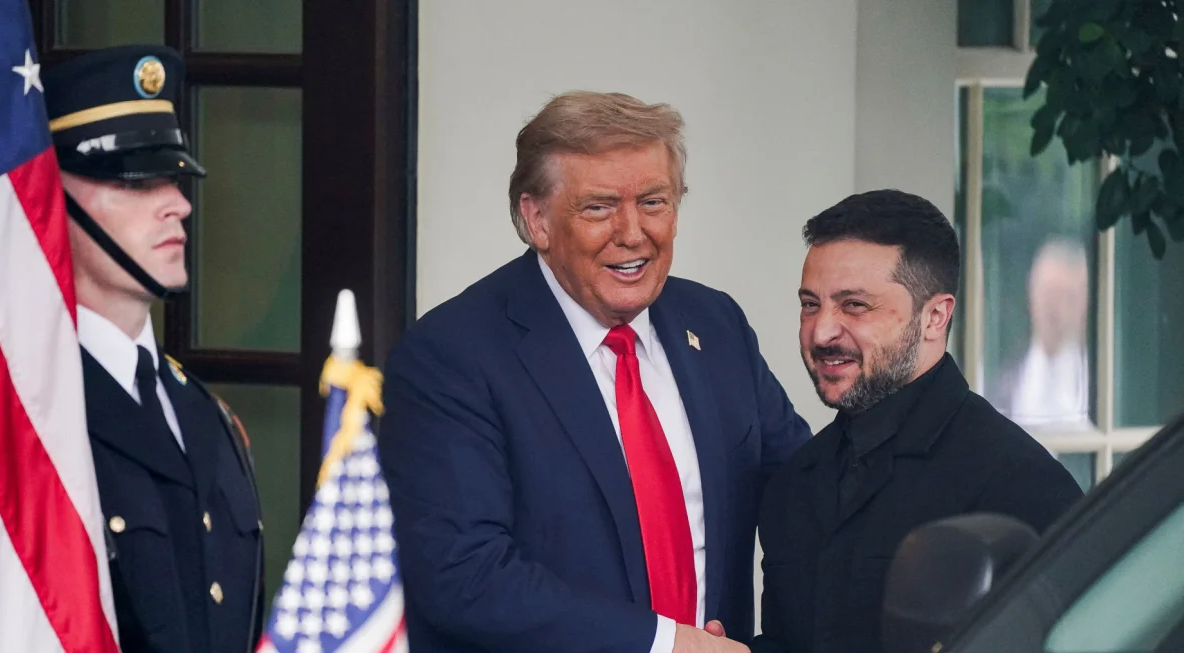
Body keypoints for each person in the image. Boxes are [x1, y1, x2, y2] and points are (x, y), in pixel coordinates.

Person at [377, 91, 811, 653]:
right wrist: (665, 645)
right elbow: (464, 576)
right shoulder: (452, 356)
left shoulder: (717, 326)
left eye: (654, 202)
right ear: (537, 220)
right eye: (599, 207)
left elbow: (804, 497)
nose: (632, 233)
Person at [752, 190, 1084, 653]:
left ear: (934, 317)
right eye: (810, 304)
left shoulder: (1018, 483)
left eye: (854, 305)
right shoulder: (795, 484)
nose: (821, 331)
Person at [43, 45, 264, 653]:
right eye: (137, 181)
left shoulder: (206, 416)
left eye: (173, 178)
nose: (179, 204)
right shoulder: (30, 413)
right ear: (48, 200)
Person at [992, 238, 1092, 431]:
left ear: (1084, 303)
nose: (1054, 309)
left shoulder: (1103, 384)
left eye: (1067, 297)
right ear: (1031, 295)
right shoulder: (1001, 382)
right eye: (1048, 294)